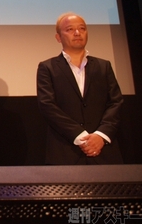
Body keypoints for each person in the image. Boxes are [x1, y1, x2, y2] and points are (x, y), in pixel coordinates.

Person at [37, 12, 123, 165]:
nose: (77, 33)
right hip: (65, 151)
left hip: (103, 150)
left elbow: (116, 102)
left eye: (82, 28)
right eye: (70, 29)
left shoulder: (103, 66)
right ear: (58, 37)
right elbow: (47, 106)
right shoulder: (47, 68)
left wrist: (100, 135)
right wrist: (81, 136)